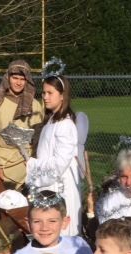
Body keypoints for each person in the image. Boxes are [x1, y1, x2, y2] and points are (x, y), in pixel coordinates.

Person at [26, 75, 81, 236]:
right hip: (48, 183)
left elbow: (59, 164)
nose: (45, 97)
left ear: (62, 95)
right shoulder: (51, 121)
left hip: (59, 187)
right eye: (43, 93)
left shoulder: (65, 125)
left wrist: (32, 165)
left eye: (50, 93)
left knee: (60, 233)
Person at [0, 60, 44, 188]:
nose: (18, 82)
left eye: (22, 79)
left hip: (27, 165)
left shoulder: (35, 105)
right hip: (3, 166)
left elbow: (39, 138)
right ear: (8, 78)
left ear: (27, 81)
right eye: (15, 78)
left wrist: (34, 161)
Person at [5, 191, 96, 254]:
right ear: (28, 223)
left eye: (52, 221)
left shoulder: (79, 246)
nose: (44, 228)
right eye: (37, 221)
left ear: (64, 222)